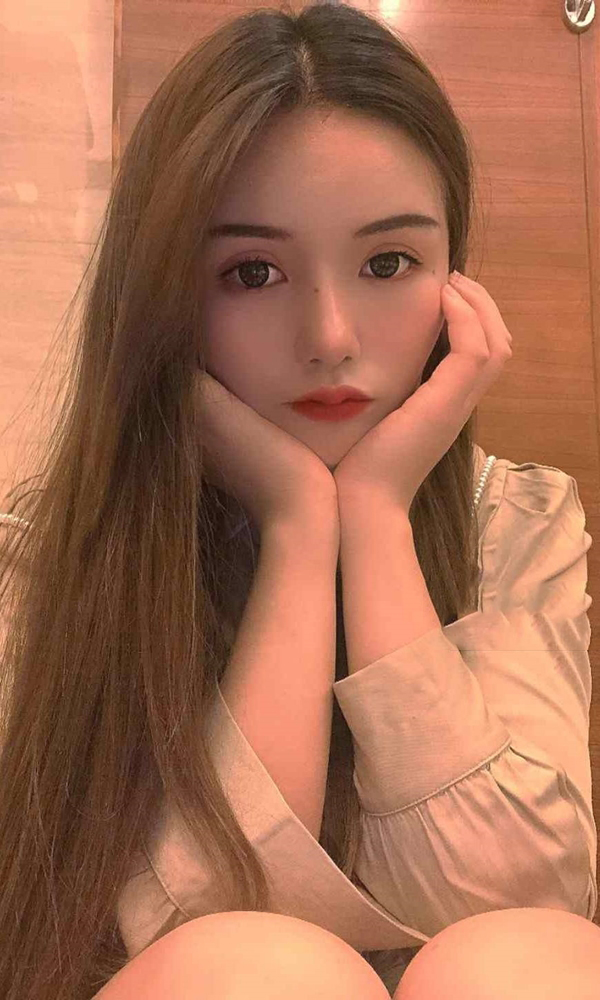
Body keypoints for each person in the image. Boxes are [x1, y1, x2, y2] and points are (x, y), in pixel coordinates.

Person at [0, 4, 597, 998]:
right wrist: (296, 529)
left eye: (387, 264)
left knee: (516, 960)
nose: (329, 337)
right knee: (252, 968)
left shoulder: (518, 517)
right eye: (253, 272)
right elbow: (196, 926)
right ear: (163, 299)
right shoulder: (43, 551)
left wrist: (376, 518)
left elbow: (523, 900)